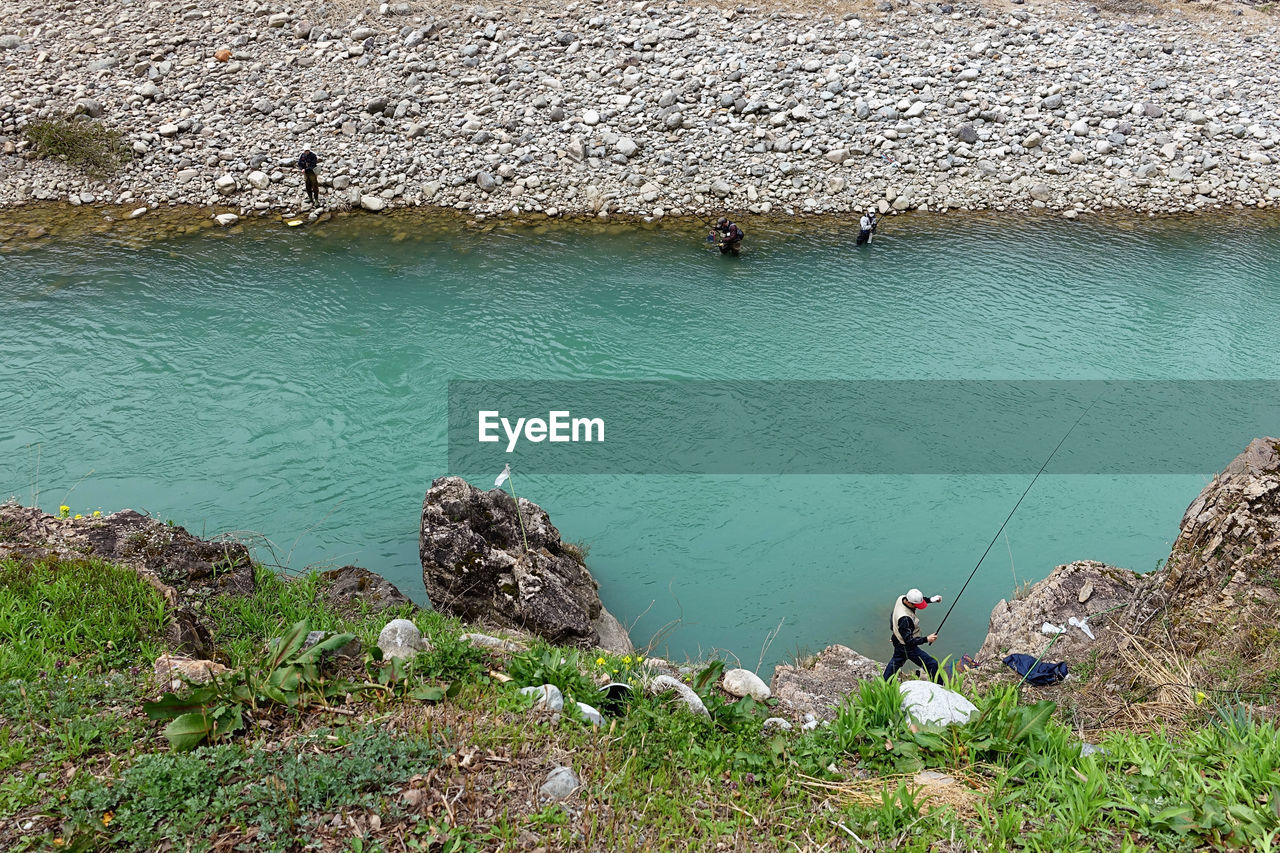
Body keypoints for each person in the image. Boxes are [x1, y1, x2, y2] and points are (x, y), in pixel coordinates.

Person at [883, 588, 945, 681]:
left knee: (896, 661)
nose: (917, 607)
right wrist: (927, 639)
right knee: (932, 664)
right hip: (906, 646)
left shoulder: (901, 598)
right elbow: (909, 641)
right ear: (908, 602)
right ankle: (940, 687)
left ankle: (885, 682)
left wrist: (931, 599)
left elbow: (893, 616)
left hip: (897, 639)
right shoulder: (905, 619)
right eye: (916, 605)